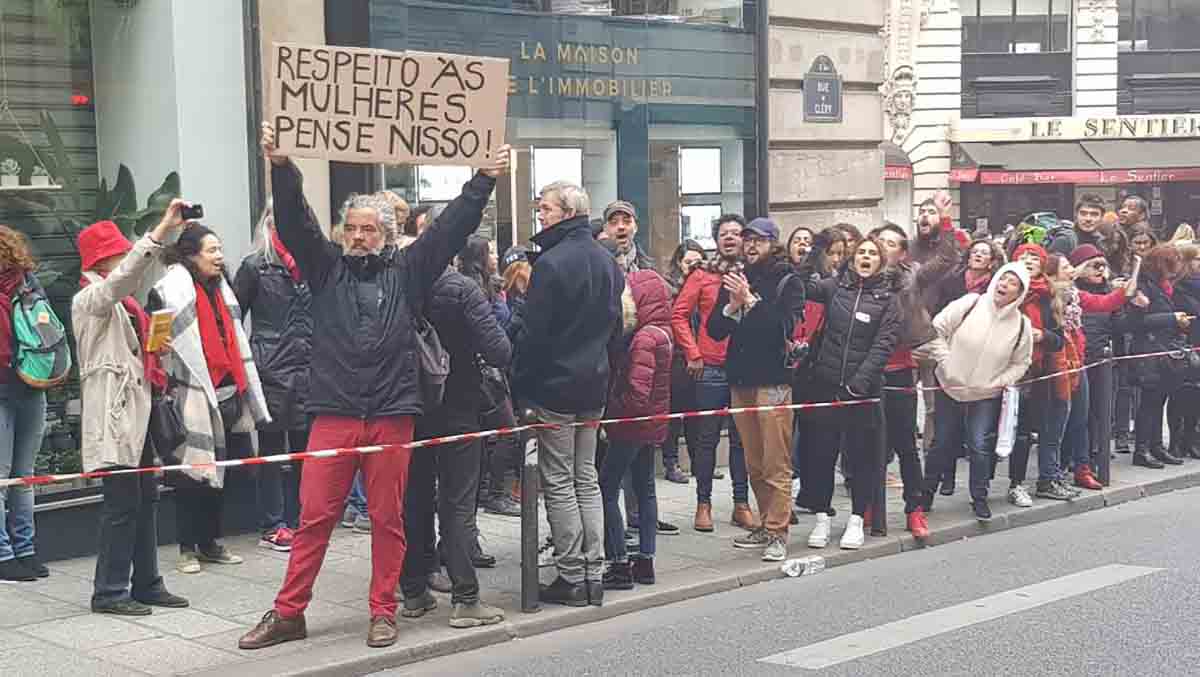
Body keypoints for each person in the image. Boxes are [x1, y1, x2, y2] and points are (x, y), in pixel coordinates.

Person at [239, 122, 509, 649]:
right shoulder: (325, 268)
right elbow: (295, 222)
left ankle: (383, 610)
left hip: (390, 414)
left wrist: (483, 179)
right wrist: (282, 166)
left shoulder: (408, 271)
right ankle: (289, 612)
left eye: (368, 229)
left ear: (386, 234)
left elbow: (450, 230)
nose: (358, 236)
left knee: (388, 520)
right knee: (314, 519)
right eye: (351, 228)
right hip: (334, 413)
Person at [507, 181, 623, 607]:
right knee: (586, 477)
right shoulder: (607, 260)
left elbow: (534, 336)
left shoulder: (552, 263)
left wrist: (522, 385)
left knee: (559, 480)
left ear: (568, 212)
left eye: (546, 208)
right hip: (594, 384)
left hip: (555, 387)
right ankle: (593, 573)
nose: (541, 215)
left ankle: (572, 574)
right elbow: (616, 329)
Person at [75, 212, 191, 612]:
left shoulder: (123, 304)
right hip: (116, 414)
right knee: (122, 504)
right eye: (119, 254)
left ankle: (146, 582)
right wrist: (160, 232)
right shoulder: (90, 299)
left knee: (145, 499)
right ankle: (109, 591)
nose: (126, 259)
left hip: (136, 412)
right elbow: (121, 280)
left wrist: (154, 348)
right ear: (101, 260)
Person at [400, 236, 512, 629]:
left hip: (410, 409)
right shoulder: (462, 289)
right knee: (458, 503)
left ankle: (414, 591)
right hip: (459, 407)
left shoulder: (398, 287)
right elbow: (499, 350)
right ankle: (466, 598)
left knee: (414, 501)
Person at [150, 224, 268, 574]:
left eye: (220, 249)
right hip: (190, 393)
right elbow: (154, 338)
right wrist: (160, 347)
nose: (219, 256)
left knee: (220, 474)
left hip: (228, 392)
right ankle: (187, 548)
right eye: (212, 250)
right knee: (191, 475)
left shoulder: (222, 288)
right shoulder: (168, 291)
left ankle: (210, 543)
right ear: (191, 255)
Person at [707, 217, 806, 562]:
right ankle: (765, 523)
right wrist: (732, 305)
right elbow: (714, 330)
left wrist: (749, 300)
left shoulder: (788, 280)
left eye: (758, 240)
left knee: (776, 461)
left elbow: (781, 329)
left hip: (773, 380)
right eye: (747, 239)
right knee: (754, 461)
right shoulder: (737, 277)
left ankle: (778, 531)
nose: (750, 246)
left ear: (773, 243)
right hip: (741, 379)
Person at [794, 235, 899, 550]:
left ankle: (855, 520)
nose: (866, 257)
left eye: (872, 253)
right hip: (825, 386)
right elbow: (801, 285)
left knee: (861, 458)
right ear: (852, 260)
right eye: (861, 252)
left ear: (880, 261)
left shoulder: (888, 300)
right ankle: (822, 518)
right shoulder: (833, 288)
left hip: (862, 392)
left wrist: (859, 383)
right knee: (820, 455)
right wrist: (814, 251)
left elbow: (883, 345)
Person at [919, 263, 1034, 520]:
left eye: (1013, 283)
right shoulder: (970, 303)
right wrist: (945, 361)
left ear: (1020, 293)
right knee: (941, 442)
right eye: (1003, 278)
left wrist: (1000, 381)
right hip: (949, 385)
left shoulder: (1022, 325)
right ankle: (925, 495)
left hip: (985, 394)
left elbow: (1022, 362)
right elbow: (936, 329)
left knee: (979, 444)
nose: (1004, 285)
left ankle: (979, 498)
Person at [233, 205, 311, 553]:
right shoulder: (255, 266)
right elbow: (234, 317)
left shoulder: (311, 263)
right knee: (271, 450)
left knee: (305, 450)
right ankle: (273, 523)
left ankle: (303, 520)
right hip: (270, 367)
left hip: (308, 365)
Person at [672, 215, 756, 533]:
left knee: (742, 440)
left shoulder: (753, 273)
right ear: (716, 240)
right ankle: (703, 504)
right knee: (706, 439)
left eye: (736, 232)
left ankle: (741, 504)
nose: (730, 238)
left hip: (746, 368)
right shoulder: (702, 274)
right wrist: (692, 352)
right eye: (724, 233)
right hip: (710, 366)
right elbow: (679, 315)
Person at [601, 269, 673, 589]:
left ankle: (618, 563)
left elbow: (637, 393)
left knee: (606, 487)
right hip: (651, 424)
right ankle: (645, 561)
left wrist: (612, 412)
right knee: (646, 489)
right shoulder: (662, 333)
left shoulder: (644, 338)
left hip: (631, 425)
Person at [1006, 243, 1077, 505]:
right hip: (1011, 370)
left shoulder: (1049, 296)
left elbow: (1058, 339)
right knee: (1013, 433)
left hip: (1040, 371)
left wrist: (1042, 335)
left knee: (1035, 430)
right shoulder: (1006, 291)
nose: (1029, 260)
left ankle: (1035, 482)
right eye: (1023, 256)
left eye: (1034, 257)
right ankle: (1010, 484)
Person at [0, 226, 49, 582]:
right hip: (26, 384)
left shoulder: (26, 283)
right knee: (11, 477)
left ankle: (23, 550)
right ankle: (7, 553)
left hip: (28, 384)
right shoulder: (27, 283)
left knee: (19, 476)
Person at [1073, 244, 1148, 470]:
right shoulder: (1071, 292)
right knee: (1077, 414)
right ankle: (1076, 458)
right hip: (1075, 360)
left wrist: (1137, 309)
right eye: (1094, 265)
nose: (1100, 270)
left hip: (1102, 360)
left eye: (1103, 266)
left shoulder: (1109, 294)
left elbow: (1121, 326)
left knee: (1100, 411)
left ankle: (1095, 456)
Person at [461, 237, 522, 518]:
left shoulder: (490, 285)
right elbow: (494, 331)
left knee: (487, 436)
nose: (496, 257)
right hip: (487, 372)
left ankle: (486, 490)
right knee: (508, 431)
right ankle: (495, 492)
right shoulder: (477, 289)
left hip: (488, 371)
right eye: (492, 252)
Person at [1127, 244, 1193, 468]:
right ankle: (1142, 449)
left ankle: (1156, 446)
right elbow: (1136, 322)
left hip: (1163, 350)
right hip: (1148, 350)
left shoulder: (1163, 285)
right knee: (1149, 402)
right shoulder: (1144, 286)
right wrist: (1172, 318)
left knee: (1158, 401)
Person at [662, 240, 706, 484]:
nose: (693, 266)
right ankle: (671, 462)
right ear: (679, 263)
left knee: (695, 413)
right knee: (673, 414)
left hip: (700, 354)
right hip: (677, 357)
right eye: (689, 262)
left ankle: (698, 463)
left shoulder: (705, 284)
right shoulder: (670, 287)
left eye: (698, 262)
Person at [1168, 244, 1200, 460]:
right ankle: (1176, 441)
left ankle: (1192, 438)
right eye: (1197, 259)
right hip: (1185, 347)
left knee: (1196, 397)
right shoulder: (1178, 287)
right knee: (1180, 395)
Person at [604, 200, 654, 272]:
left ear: (635, 227)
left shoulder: (648, 268)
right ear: (605, 229)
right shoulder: (595, 264)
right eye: (614, 222)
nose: (621, 227)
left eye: (627, 221)